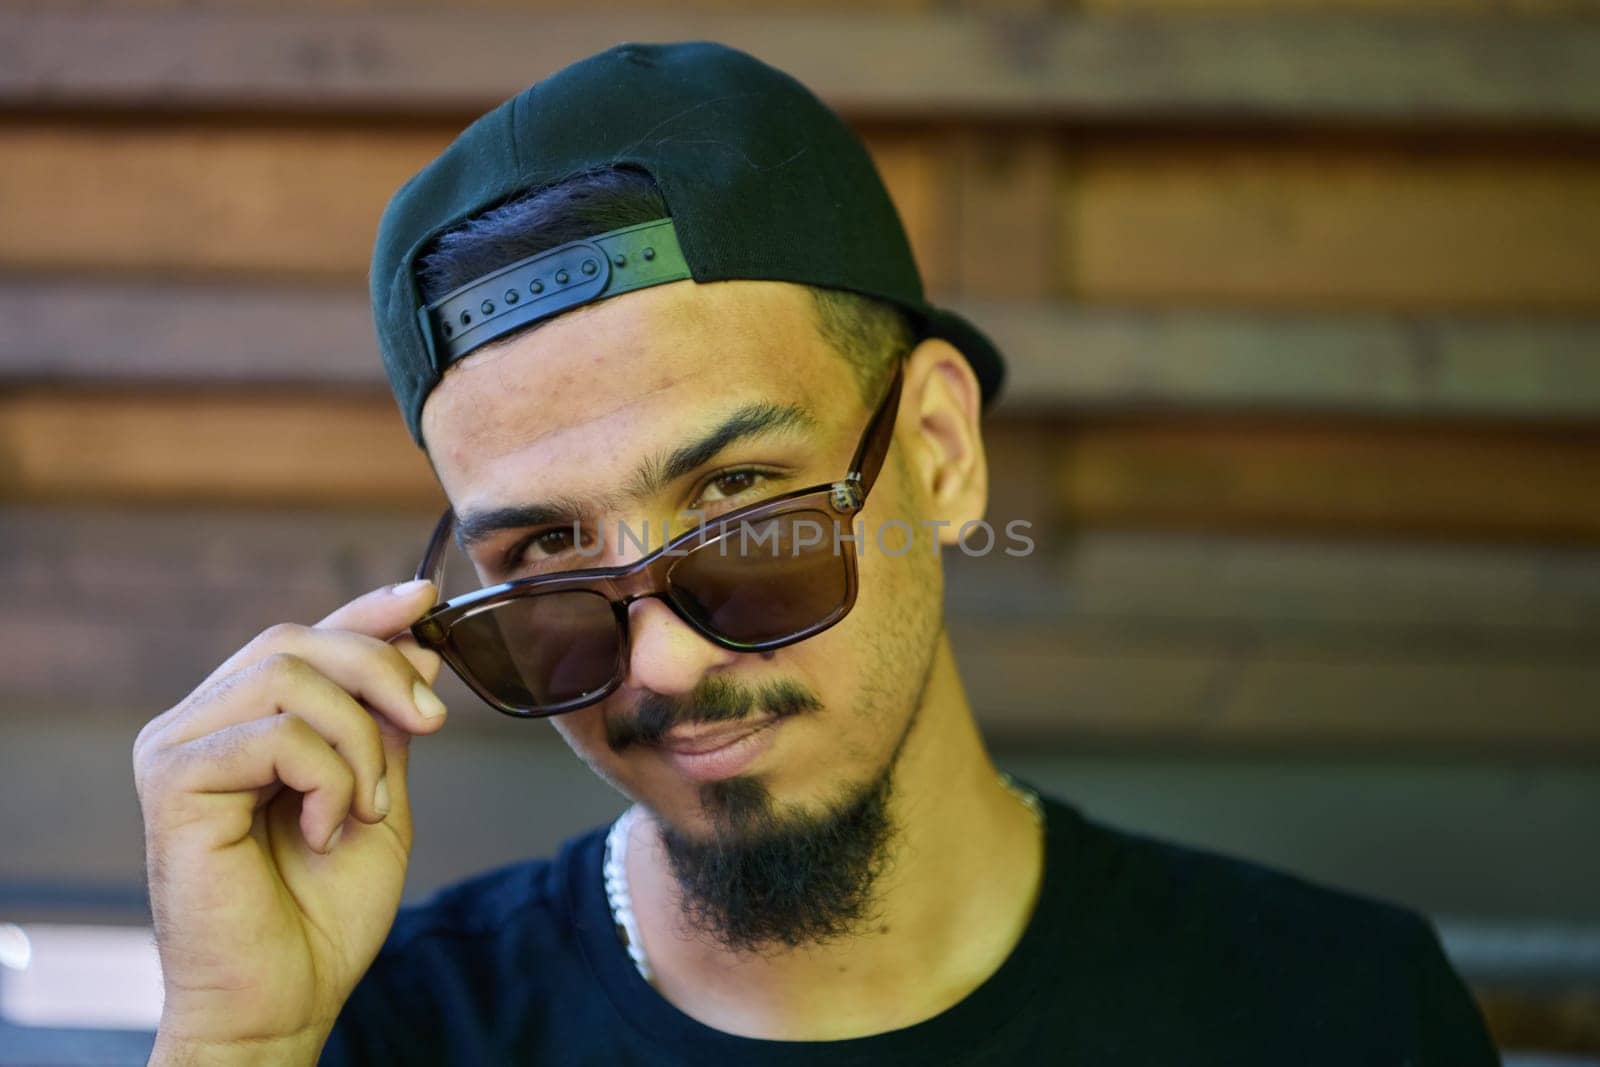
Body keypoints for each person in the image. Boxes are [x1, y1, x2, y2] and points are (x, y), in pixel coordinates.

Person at [132, 41, 1500, 1066]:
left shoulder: (1337, 1014)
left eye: (743, 504)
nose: (660, 663)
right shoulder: (370, 1036)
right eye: (549, 553)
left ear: (943, 454)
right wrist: (235, 1048)